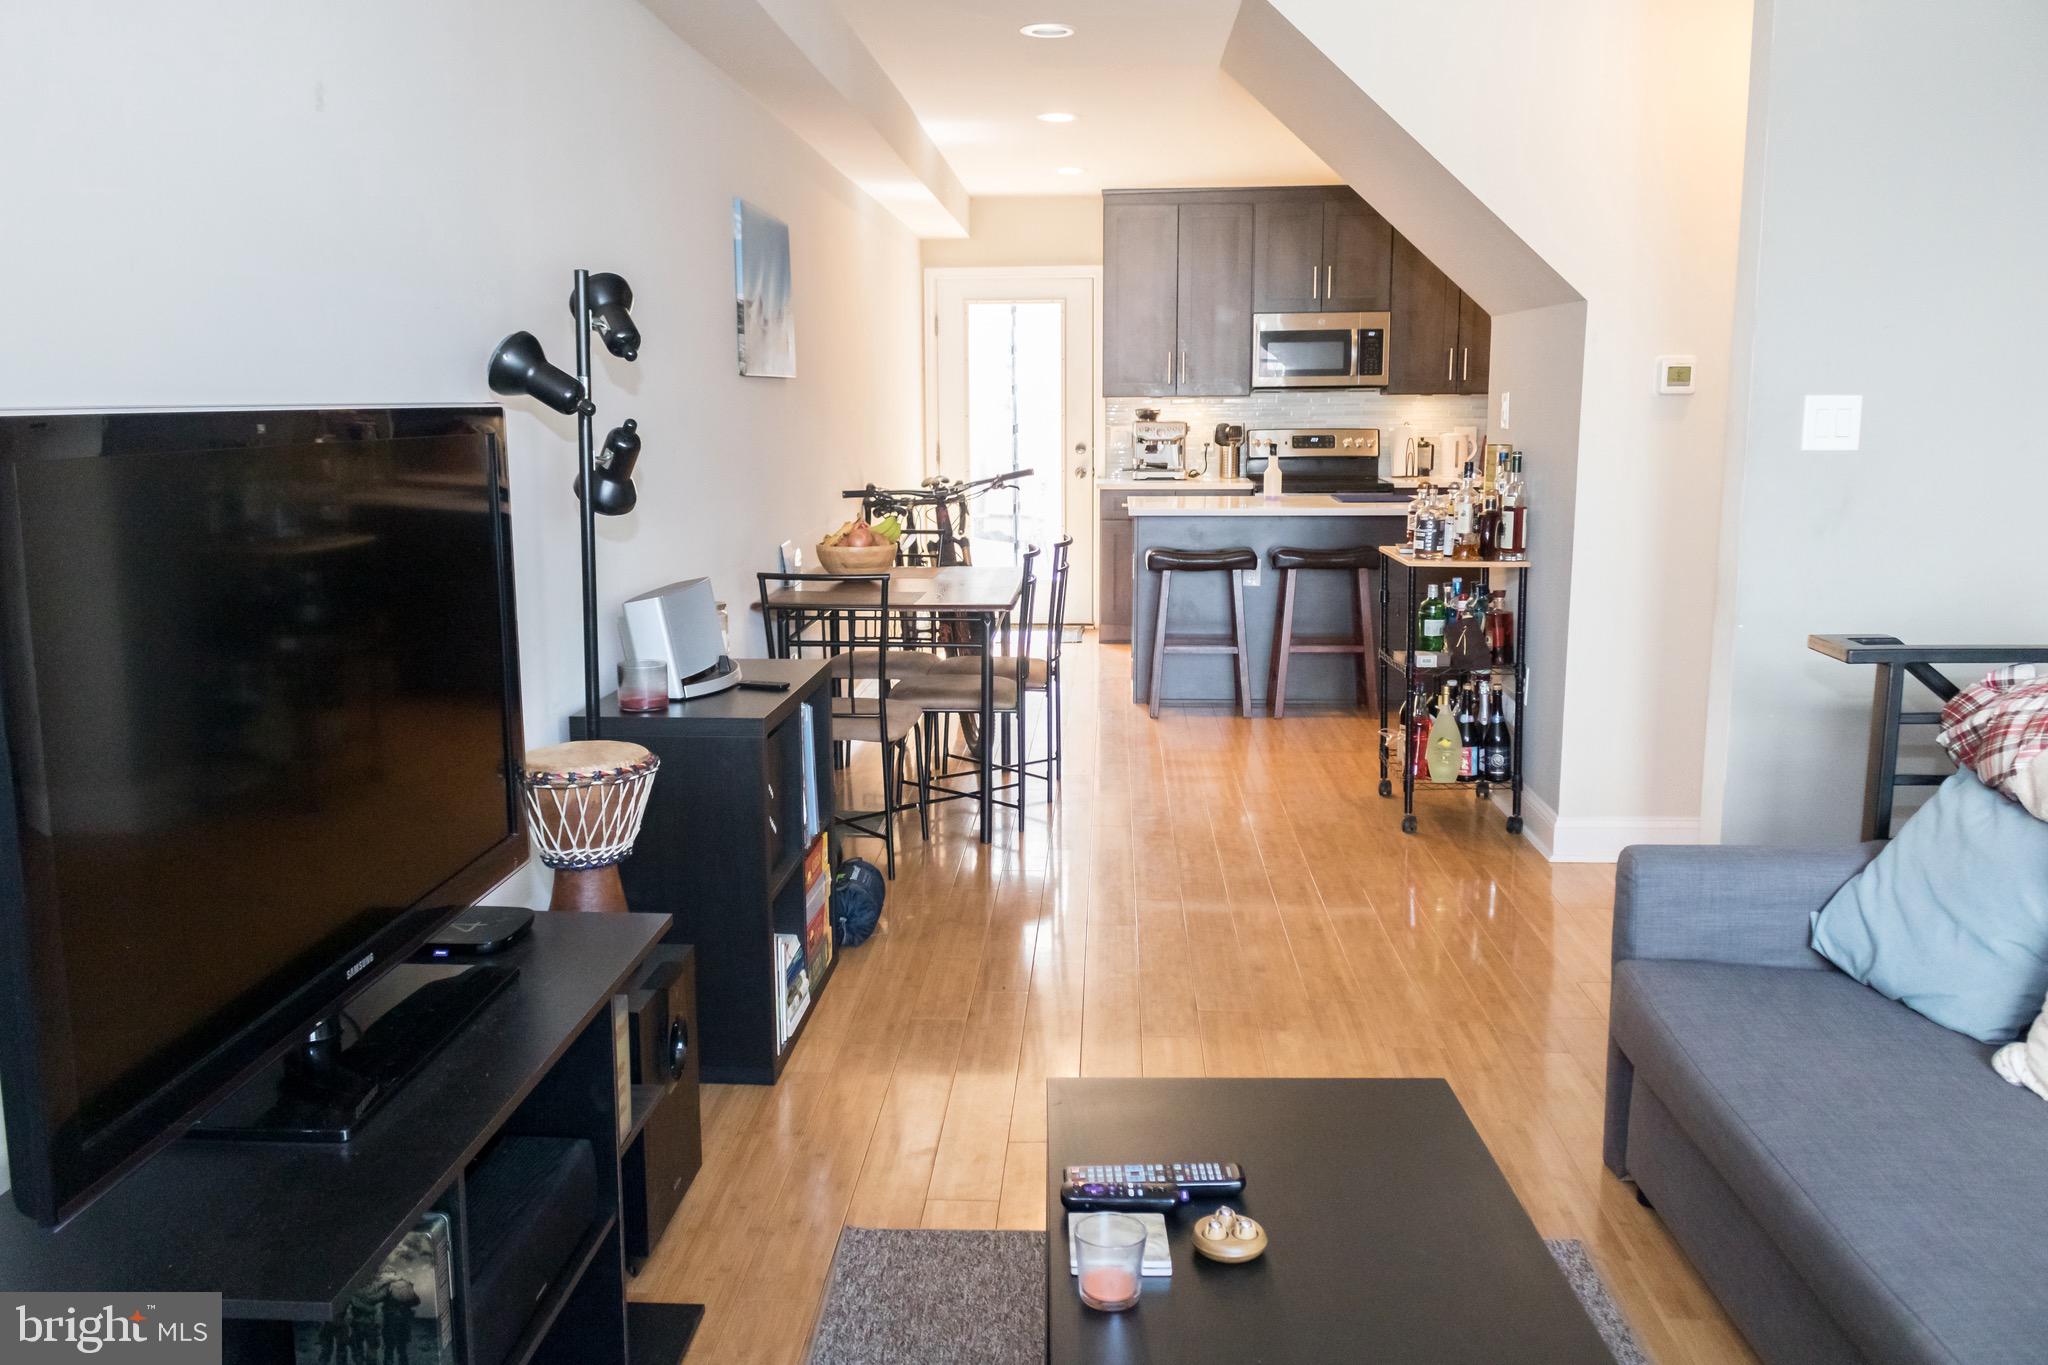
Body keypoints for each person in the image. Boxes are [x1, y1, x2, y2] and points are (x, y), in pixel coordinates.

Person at [378, 1276, 420, 1365]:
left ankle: (388, 1362)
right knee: (402, 1349)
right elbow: (417, 1301)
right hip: (404, 1322)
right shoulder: (407, 1288)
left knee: (389, 1348)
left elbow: (378, 1298)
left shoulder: (388, 1287)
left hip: (390, 1322)